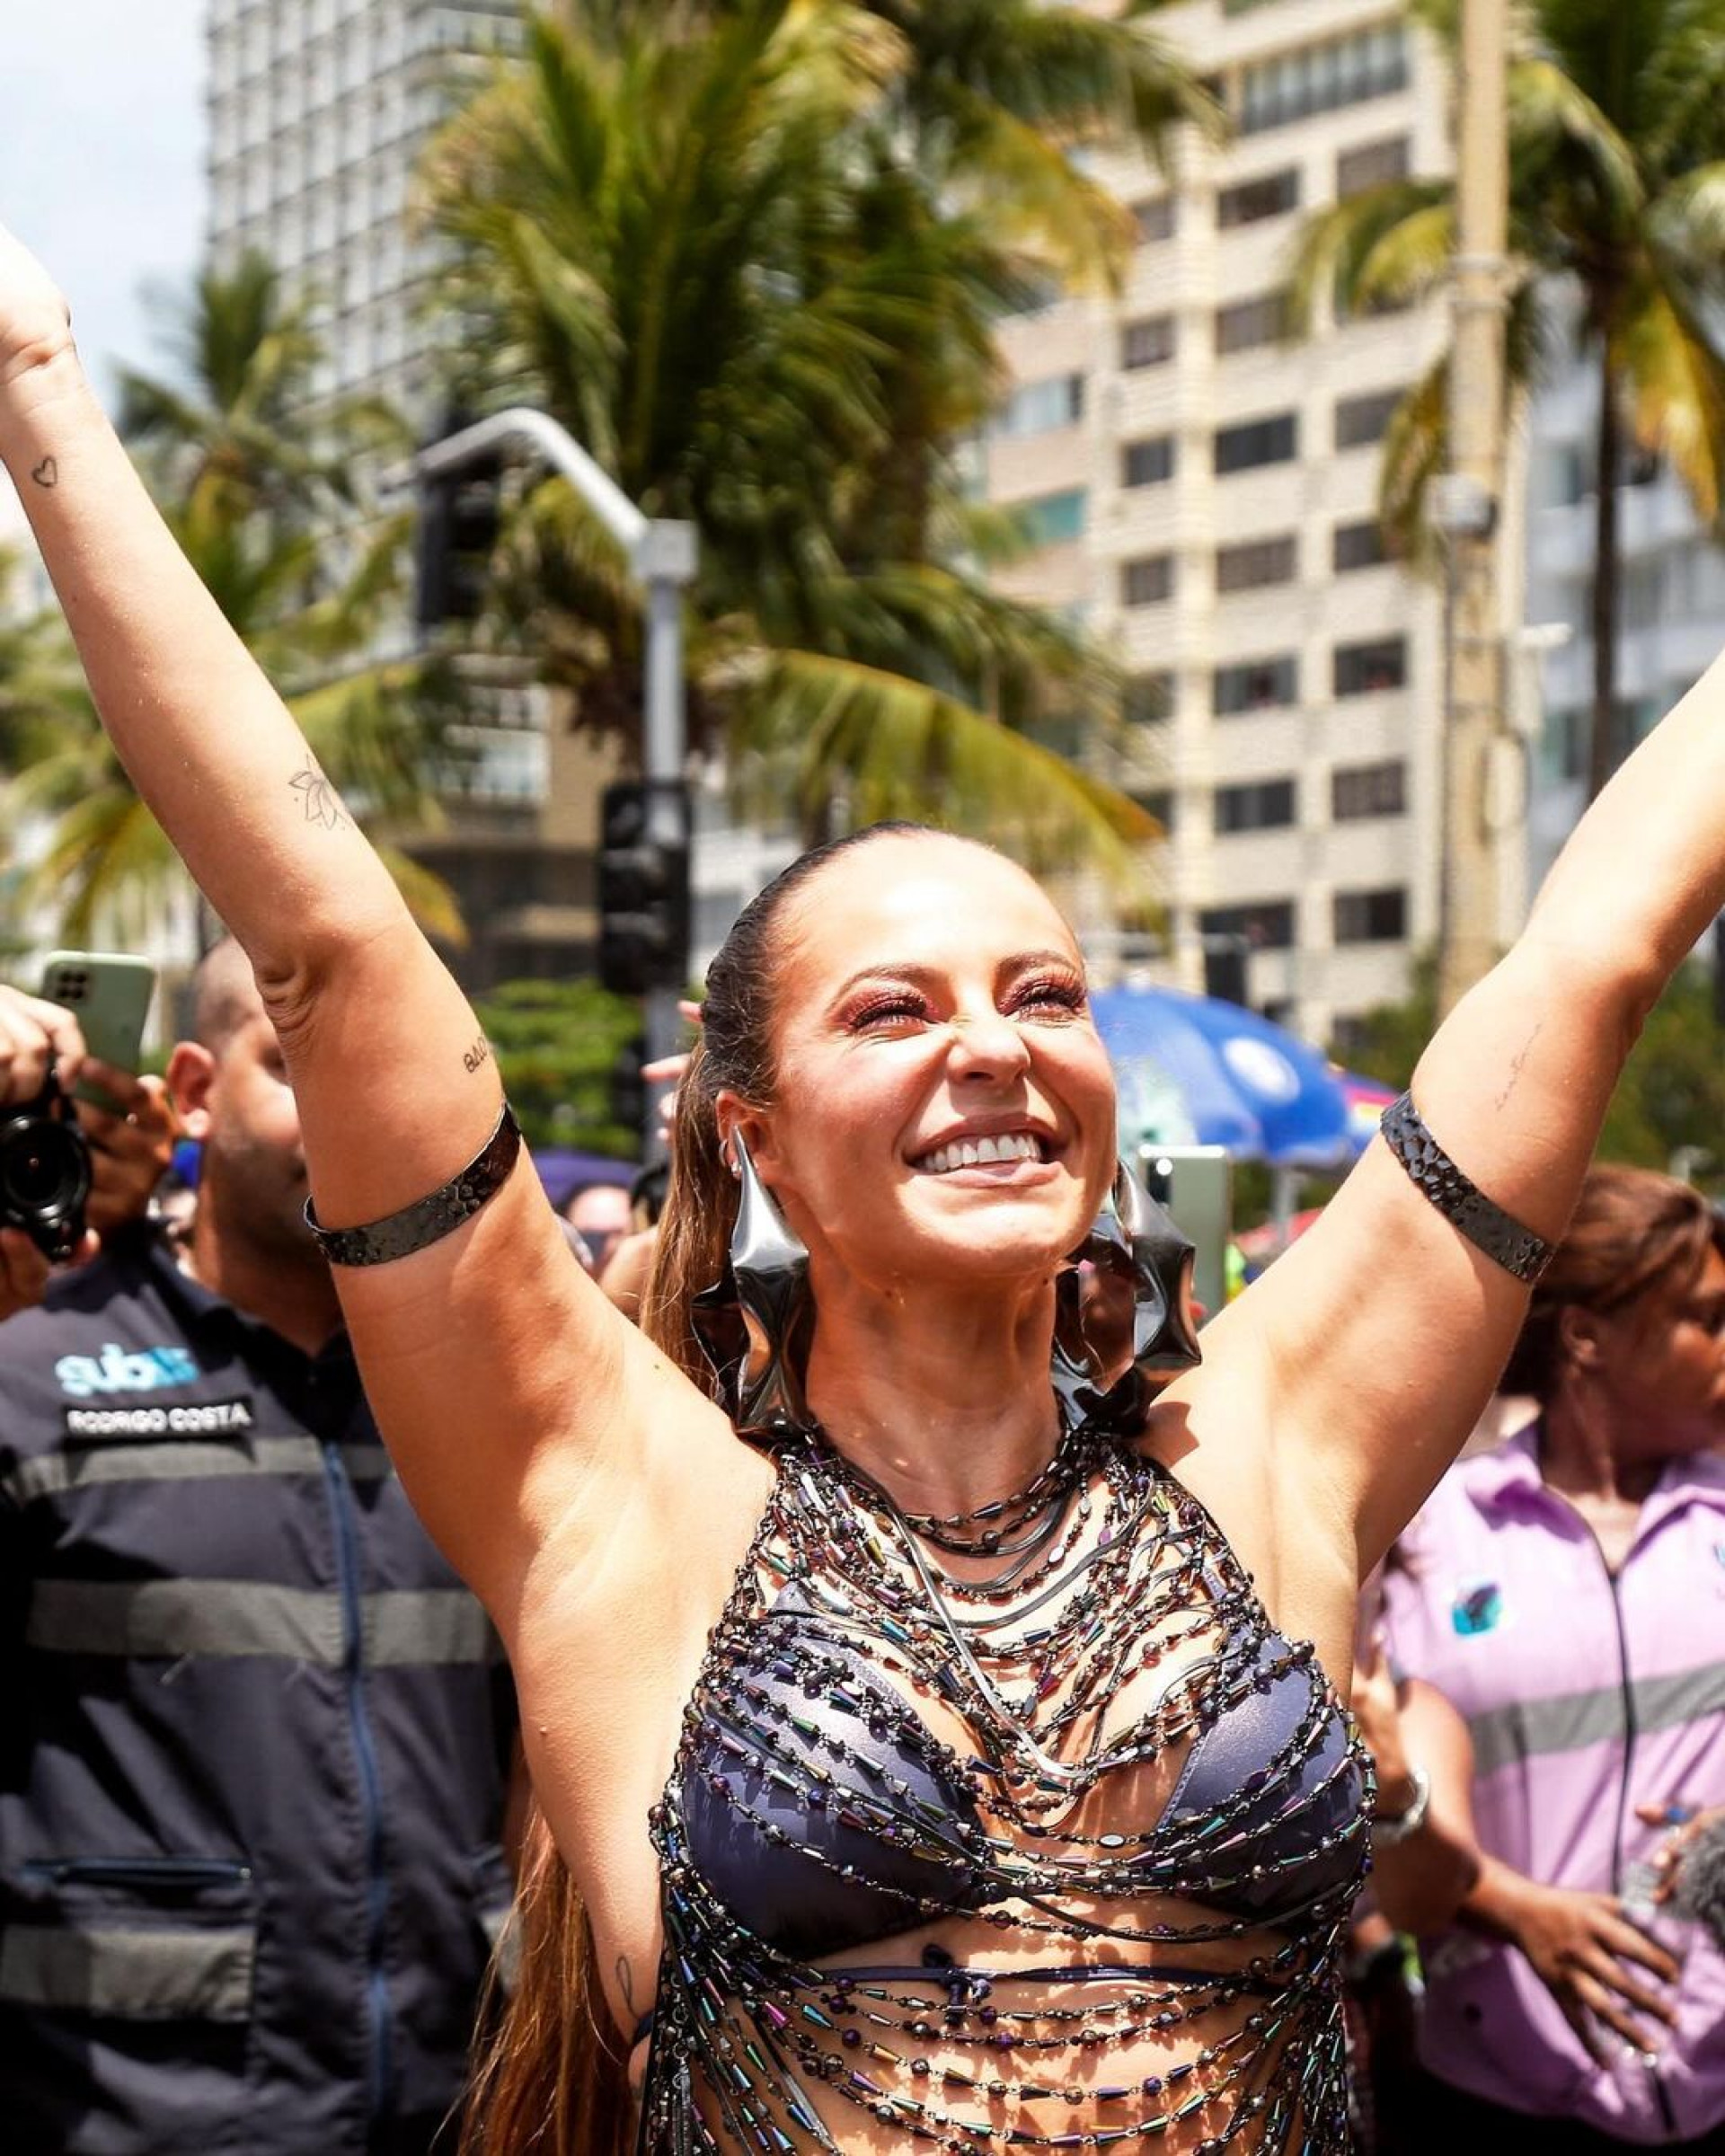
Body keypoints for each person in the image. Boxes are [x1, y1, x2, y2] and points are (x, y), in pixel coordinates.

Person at [8, 223, 1725, 2156]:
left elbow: (1599, 946)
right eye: (893, 1011)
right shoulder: (621, 1502)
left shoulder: (1274, 1448)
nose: (991, 1045)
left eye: (1044, 995)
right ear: (752, 1135)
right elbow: (327, 946)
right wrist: (35, 374)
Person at [0, 942, 519, 2156]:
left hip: (466, 2118)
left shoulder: (507, 1390)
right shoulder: (30, 1368)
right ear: (192, 1090)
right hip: (117, 2121)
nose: (357, 1110)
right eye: (297, 1067)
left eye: (399, 1071)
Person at [1376, 1165, 1725, 2152]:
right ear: (1586, 1338)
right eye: (1707, 1320)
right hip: (1497, 2090)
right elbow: (1369, 1799)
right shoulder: (1431, 1535)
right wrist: (1513, 1910)